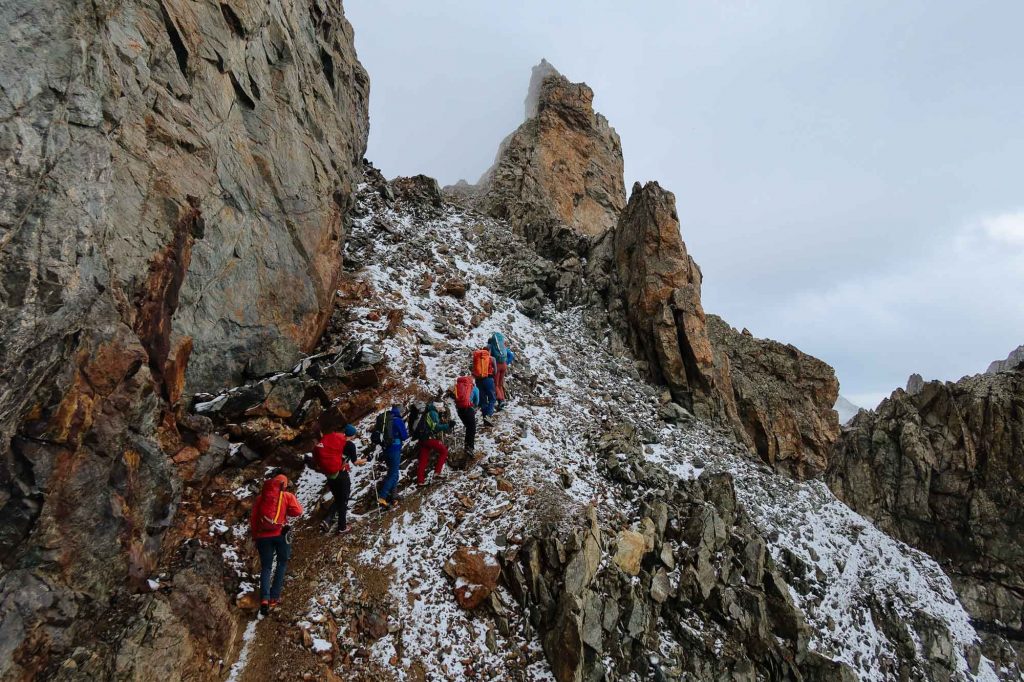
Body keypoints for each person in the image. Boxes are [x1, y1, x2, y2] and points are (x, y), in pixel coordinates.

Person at [249, 473, 303, 616]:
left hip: (263, 537)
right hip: (281, 534)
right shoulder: (286, 496)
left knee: (266, 567)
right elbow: (298, 511)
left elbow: (254, 519)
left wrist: (255, 536)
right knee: (281, 563)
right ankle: (274, 597)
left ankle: (264, 599)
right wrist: (285, 511)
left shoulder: (261, 498)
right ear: (283, 485)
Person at [311, 424, 365, 534]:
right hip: (341, 474)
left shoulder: (335, 441)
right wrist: (365, 460)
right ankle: (342, 527)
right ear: (352, 435)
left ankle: (327, 520)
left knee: (338, 498)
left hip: (330, 475)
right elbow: (355, 462)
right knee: (343, 500)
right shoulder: (350, 445)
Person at [372, 404, 408, 508]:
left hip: (385, 450)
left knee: (393, 473)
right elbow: (404, 436)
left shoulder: (385, 419)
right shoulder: (398, 420)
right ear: (400, 411)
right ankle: (382, 497)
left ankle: (394, 496)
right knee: (393, 474)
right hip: (395, 449)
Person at [413, 401, 451, 486]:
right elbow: (435, 427)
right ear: (438, 406)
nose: (442, 408)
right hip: (428, 438)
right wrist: (447, 426)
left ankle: (420, 481)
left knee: (423, 460)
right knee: (444, 451)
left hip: (422, 439)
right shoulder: (433, 413)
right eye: (441, 406)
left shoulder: (429, 412)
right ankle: (437, 473)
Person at [453, 375, 479, 455]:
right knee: (472, 428)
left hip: (459, 410)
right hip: (468, 409)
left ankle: (467, 446)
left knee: (468, 427)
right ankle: (469, 448)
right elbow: (477, 401)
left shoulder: (457, 386)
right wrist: (474, 406)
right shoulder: (474, 388)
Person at [471, 347, 497, 425]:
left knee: (483, 401)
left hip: (479, 380)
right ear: (489, 351)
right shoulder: (492, 358)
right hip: (488, 379)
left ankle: (485, 420)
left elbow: (473, 370)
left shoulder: (477, 358)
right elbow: (495, 371)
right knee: (492, 398)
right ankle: (488, 415)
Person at [488, 332, 511, 411]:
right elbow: (511, 355)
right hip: (504, 365)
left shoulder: (491, 346)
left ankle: (500, 400)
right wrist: (506, 362)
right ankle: (503, 400)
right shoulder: (502, 346)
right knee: (500, 384)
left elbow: (488, 357)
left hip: (497, 366)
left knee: (496, 384)